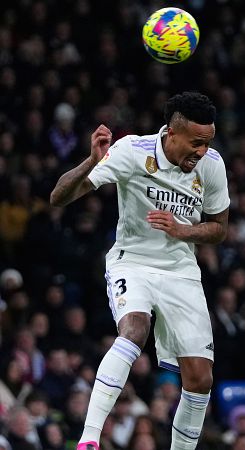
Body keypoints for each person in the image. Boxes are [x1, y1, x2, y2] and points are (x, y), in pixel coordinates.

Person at [50, 92, 230, 450]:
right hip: (132, 261)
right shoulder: (133, 150)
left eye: (208, 142)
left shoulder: (211, 164)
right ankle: (89, 440)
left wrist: (184, 230)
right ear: (172, 134)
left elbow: (219, 228)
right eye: (196, 143)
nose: (202, 150)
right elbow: (59, 197)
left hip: (181, 272)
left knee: (200, 378)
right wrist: (90, 161)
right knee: (134, 329)